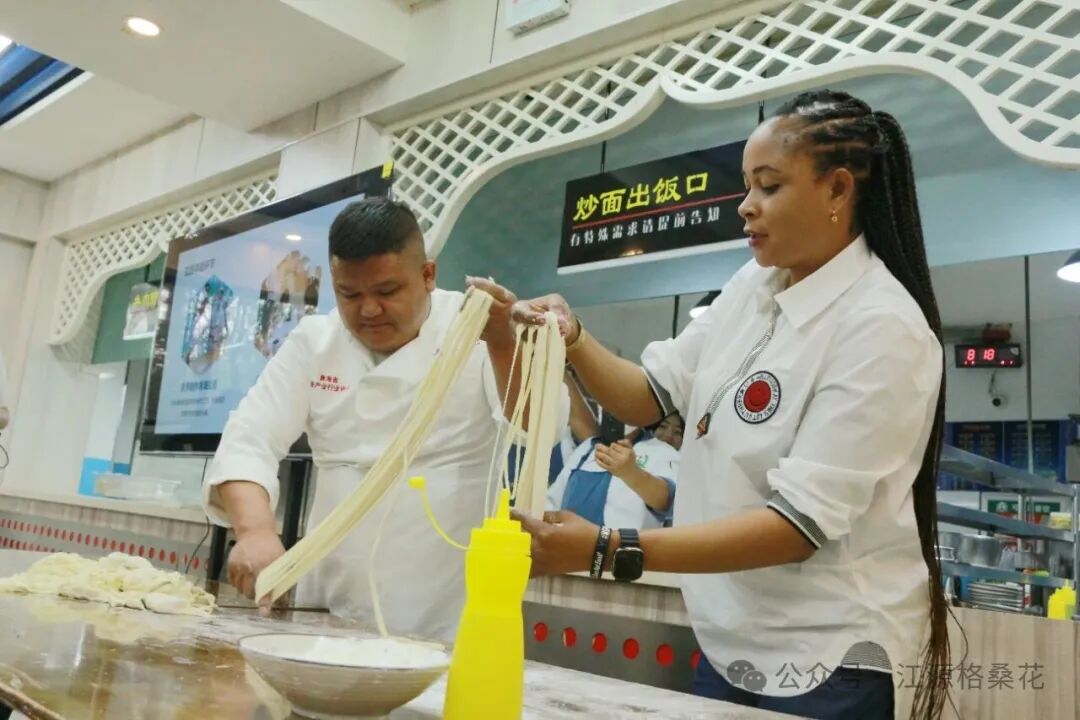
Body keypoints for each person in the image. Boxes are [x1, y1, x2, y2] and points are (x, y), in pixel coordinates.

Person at [510, 89, 950, 720]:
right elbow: (649, 395)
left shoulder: (882, 327)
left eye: (768, 186)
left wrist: (605, 548)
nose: (746, 206)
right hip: (732, 637)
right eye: (747, 186)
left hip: (830, 655)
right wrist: (573, 337)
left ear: (837, 189)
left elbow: (795, 528)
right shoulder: (753, 286)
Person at [203, 197, 544, 642]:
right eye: (350, 294)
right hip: (328, 597)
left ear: (428, 275)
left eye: (387, 292)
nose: (368, 310)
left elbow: (536, 425)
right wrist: (254, 531)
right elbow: (250, 437)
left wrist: (502, 342)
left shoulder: (476, 324)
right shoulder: (315, 342)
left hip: (445, 599)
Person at [547, 411, 683, 529]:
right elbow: (552, 501)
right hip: (565, 545)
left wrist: (631, 472)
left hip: (623, 549)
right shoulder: (587, 448)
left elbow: (668, 500)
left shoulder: (663, 451)